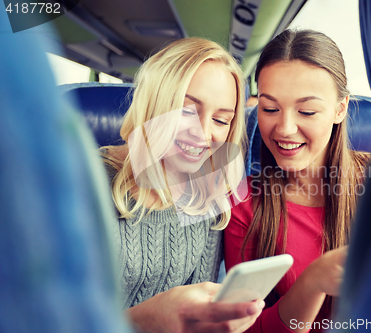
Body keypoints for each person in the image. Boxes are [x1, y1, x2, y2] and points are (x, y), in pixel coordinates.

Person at [101, 37, 263, 333]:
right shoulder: (85, 183)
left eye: (220, 119)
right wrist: (141, 319)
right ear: (155, 103)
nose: (203, 133)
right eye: (187, 110)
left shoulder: (209, 197)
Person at [224, 29, 370, 332]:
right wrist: (314, 282)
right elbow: (248, 328)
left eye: (306, 111)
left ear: (339, 109)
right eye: (270, 109)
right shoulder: (244, 206)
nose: (285, 128)